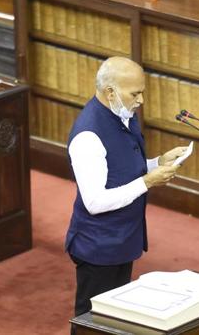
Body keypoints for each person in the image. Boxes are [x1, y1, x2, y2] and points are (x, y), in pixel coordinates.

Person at [65, 56, 188, 317]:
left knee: (119, 317)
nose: (141, 100)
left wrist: (156, 162)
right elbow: (95, 202)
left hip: (122, 239)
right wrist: (147, 182)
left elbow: (120, 167)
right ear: (111, 92)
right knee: (94, 321)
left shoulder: (122, 114)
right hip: (99, 247)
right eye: (136, 93)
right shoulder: (88, 136)